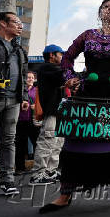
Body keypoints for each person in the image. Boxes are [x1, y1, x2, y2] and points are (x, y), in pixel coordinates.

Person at [39, 0, 110, 213]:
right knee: (77, 140)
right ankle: (65, 195)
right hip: (88, 93)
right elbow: (66, 60)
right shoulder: (87, 35)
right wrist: (70, 78)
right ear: (100, 13)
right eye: (106, 7)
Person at [0, 12, 29, 195]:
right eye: (16, 22)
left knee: (8, 141)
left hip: (14, 101)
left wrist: (23, 97)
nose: (20, 25)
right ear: (2, 23)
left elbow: (24, 76)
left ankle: (7, 181)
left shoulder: (19, 49)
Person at [29, 45, 66, 185]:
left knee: (57, 142)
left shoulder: (55, 69)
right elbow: (63, 75)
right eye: (60, 54)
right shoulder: (46, 68)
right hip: (51, 110)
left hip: (58, 111)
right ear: (51, 55)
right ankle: (38, 173)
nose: (62, 57)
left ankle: (50, 171)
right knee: (47, 141)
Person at [14, 71, 39, 174]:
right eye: (28, 77)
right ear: (25, 79)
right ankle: (20, 168)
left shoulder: (37, 90)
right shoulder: (20, 90)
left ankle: (38, 167)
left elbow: (41, 104)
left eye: (32, 78)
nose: (30, 79)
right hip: (20, 120)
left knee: (36, 144)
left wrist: (35, 107)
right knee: (20, 145)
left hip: (33, 121)